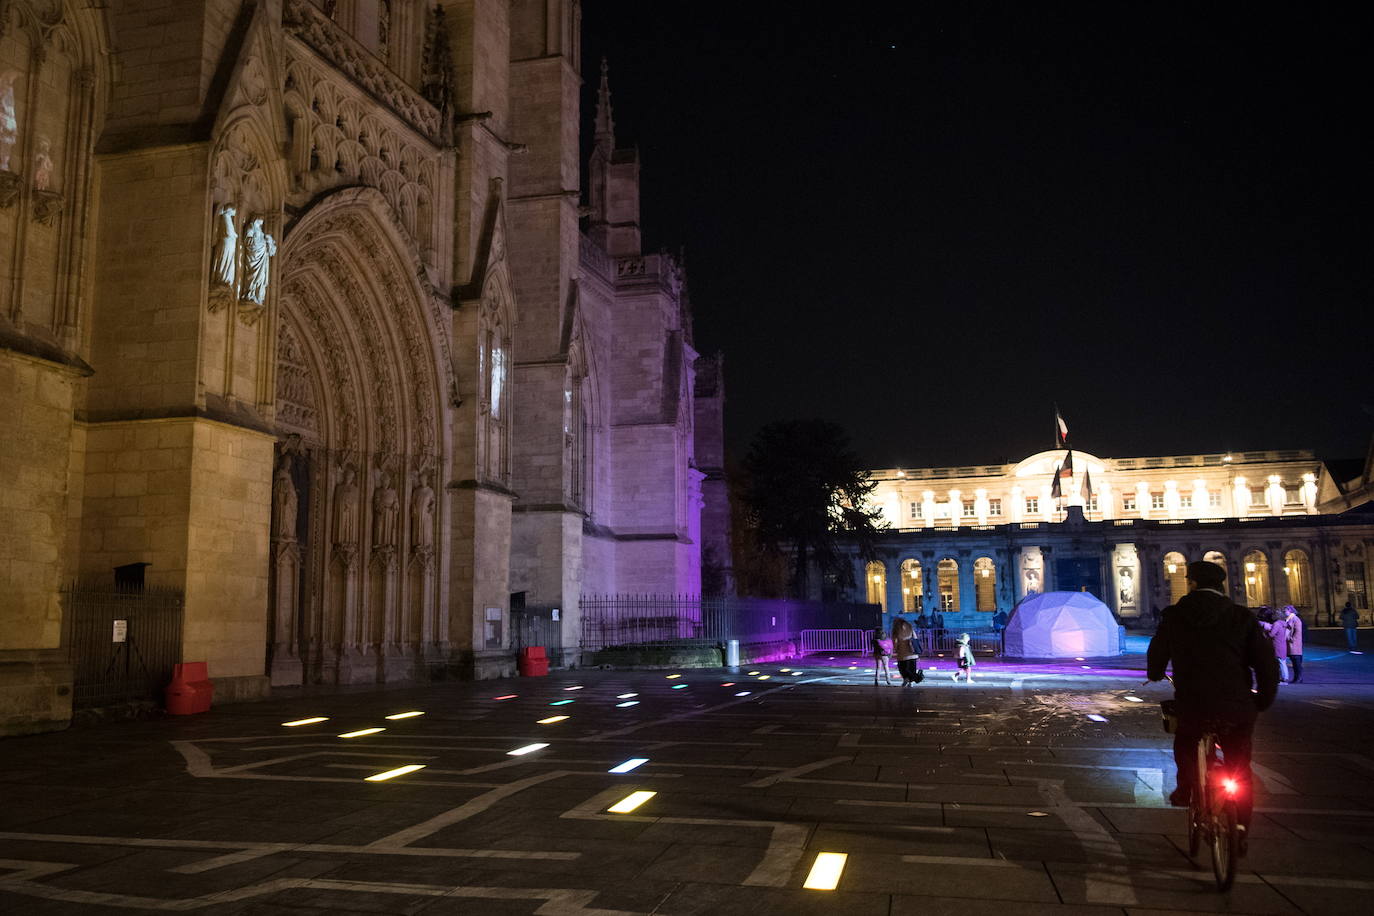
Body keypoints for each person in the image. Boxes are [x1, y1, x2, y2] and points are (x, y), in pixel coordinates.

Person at [1147, 560, 1279, 850]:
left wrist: (1155, 672)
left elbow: (1157, 651)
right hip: (1237, 705)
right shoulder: (1241, 617)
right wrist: (1263, 699)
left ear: (1191, 583)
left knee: (1185, 742)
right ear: (1222, 586)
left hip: (1194, 703)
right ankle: (1240, 828)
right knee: (1239, 766)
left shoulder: (1175, 615)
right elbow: (1267, 664)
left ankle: (1186, 789)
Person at [1261, 609, 1291, 684]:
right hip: (1282, 644)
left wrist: (1266, 631)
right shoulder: (1284, 623)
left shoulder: (1277, 624)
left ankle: (1284, 679)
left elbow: (1271, 634)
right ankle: (1284, 678)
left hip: (1277, 645)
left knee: (1280, 662)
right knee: (1283, 662)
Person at [891, 617, 922, 687]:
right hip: (912, 652)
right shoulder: (910, 627)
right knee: (912, 668)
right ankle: (911, 682)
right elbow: (915, 637)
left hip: (903, 653)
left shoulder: (896, 629)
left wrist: (895, 649)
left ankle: (906, 679)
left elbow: (895, 641)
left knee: (903, 668)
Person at [1281, 605, 1303, 683]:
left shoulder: (1295, 619)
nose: (1284, 612)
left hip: (1294, 644)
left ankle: (1299, 678)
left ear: (1290, 611)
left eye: (1285, 611)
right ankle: (1296, 678)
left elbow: (1298, 632)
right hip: (1291, 644)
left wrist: (1291, 639)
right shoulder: (1289, 619)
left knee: (1297, 662)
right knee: (1294, 662)